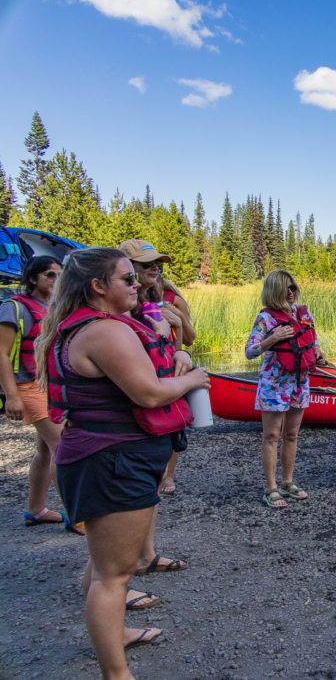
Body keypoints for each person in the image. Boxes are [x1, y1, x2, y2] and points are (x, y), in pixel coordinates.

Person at [38, 247, 208, 677]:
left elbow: (144, 375)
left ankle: (117, 634)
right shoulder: (104, 332)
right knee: (112, 577)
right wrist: (192, 378)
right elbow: (149, 393)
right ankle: (116, 673)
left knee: (102, 564)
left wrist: (177, 358)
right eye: (128, 279)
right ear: (98, 286)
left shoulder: (94, 328)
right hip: (112, 459)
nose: (139, 285)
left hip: (107, 456)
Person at [0, 256, 79, 532]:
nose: (56, 280)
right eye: (49, 275)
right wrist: (11, 396)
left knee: (45, 450)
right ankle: (76, 515)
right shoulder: (14, 309)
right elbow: (1, 353)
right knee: (63, 448)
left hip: (49, 386)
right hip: (27, 387)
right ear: (33, 279)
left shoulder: (56, 309)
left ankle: (35, 510)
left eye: (59, 275)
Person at [119, 239, 197, 496]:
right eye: (146, 264)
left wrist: (180, 342)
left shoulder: (160, 300)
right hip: (134, 391)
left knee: (170, 429)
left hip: (160, 381)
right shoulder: (121, 305)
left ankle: (166, 475)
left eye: (157, 264)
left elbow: (178, 344)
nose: (154, 268)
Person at [245, 270, 325, 508]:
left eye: (293, 287)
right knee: (271, 436)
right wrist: (273, 337)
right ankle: (270, 488)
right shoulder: (266, 319)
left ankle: (288, 482)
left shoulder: (303, 313)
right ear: (274, 291)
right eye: (286, 288)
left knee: (291, 434)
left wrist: (318, 353)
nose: (291, 292)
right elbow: (250, 352)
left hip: (299, 382)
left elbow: (314, 340)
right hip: (274, 383)